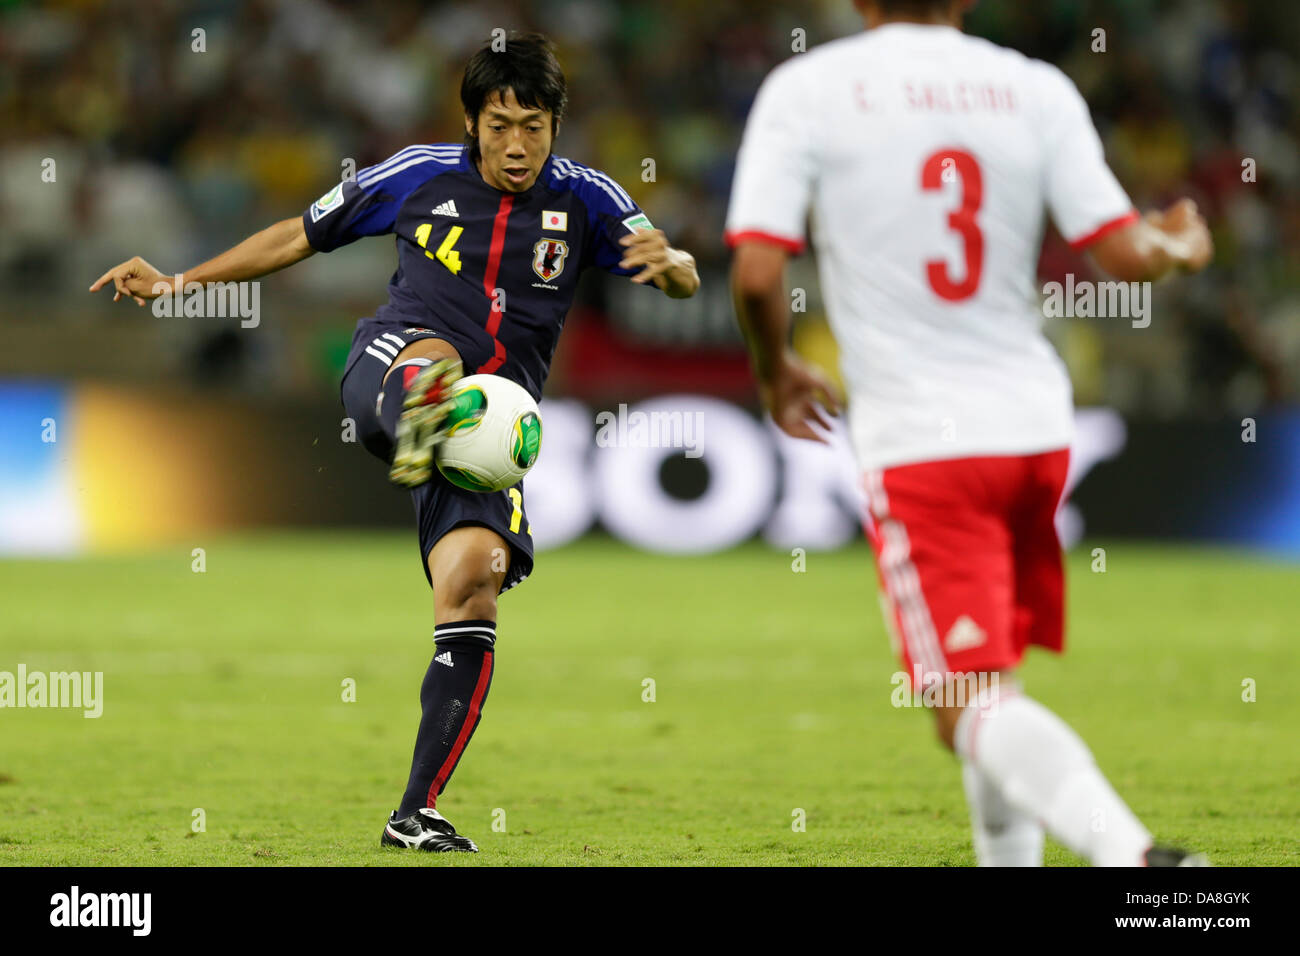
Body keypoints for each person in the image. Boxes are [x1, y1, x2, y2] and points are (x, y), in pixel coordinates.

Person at [91, 32, 699, 852]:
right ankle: (421, 414)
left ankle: (416, 812)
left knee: (473, 589)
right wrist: (178, 283)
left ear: (558, 124)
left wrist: (671, 266)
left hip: (488, 427)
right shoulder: (416, 174)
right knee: (439, 362)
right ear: (472, 123)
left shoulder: (587, 199)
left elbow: (681, 273)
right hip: (394, 360)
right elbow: (297, 236)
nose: (516, 144)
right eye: (499, 124)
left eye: (534, 125)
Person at [726, 0, 1212, 866]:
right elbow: (1125, 253)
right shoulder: (1034, 86)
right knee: (993, 684)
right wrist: (1176, 246)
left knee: (963, 711)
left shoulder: (807, 88)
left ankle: (1142, 863)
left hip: (923, 443)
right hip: (1034, 429)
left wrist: (775, 372)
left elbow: (759, 271)